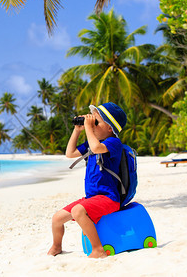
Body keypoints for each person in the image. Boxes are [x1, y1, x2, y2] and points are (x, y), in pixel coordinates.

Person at [47, 102, 127, 258]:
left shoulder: (114, 143)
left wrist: (88, 128)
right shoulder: (91, 144)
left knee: (78, 210)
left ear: (110, 128)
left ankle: (98, 250)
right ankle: (57, 246)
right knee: (57, 218)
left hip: (108, 199)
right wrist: (77, 130)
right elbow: (70, 153)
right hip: (92, 198)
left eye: (96, 122)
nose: (92, 124)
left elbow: (97, 148)